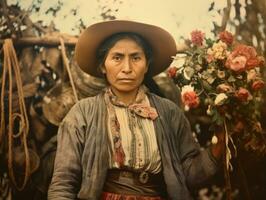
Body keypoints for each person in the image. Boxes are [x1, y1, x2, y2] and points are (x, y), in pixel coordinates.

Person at [48, 20, 224, 200]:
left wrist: (221, 142)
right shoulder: (82, 113)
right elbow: (63, 183)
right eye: (117, 58)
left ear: (147, 65)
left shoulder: (169, 112)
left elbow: (191, 176)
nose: (127, 68)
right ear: (103, 66)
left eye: (136, 58)